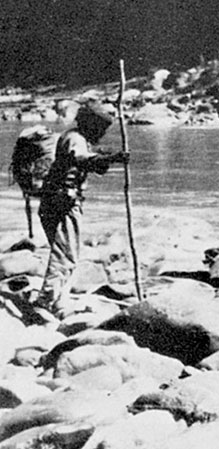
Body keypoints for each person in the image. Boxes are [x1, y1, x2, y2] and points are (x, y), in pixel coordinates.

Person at [35, 102, 129, 319]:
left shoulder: (77, 138)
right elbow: (81, 160)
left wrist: (107, 158)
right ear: (91, 125)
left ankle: (58, 300)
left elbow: (91, 163)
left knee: (66, 253)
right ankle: (45, 300)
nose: (102, 134)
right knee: (66, 255)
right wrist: (112, 159)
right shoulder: (75, 139)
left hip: (54, 201)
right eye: (101, 130)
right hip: (62, 202)